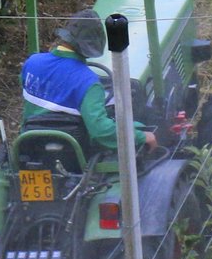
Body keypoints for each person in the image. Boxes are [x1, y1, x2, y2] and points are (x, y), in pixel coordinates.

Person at [19, 9, 156, 160]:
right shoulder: (88, 82)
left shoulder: (31, 63)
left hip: (31, 148)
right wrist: (139, 135)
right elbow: (100, 129)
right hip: (72, 156)